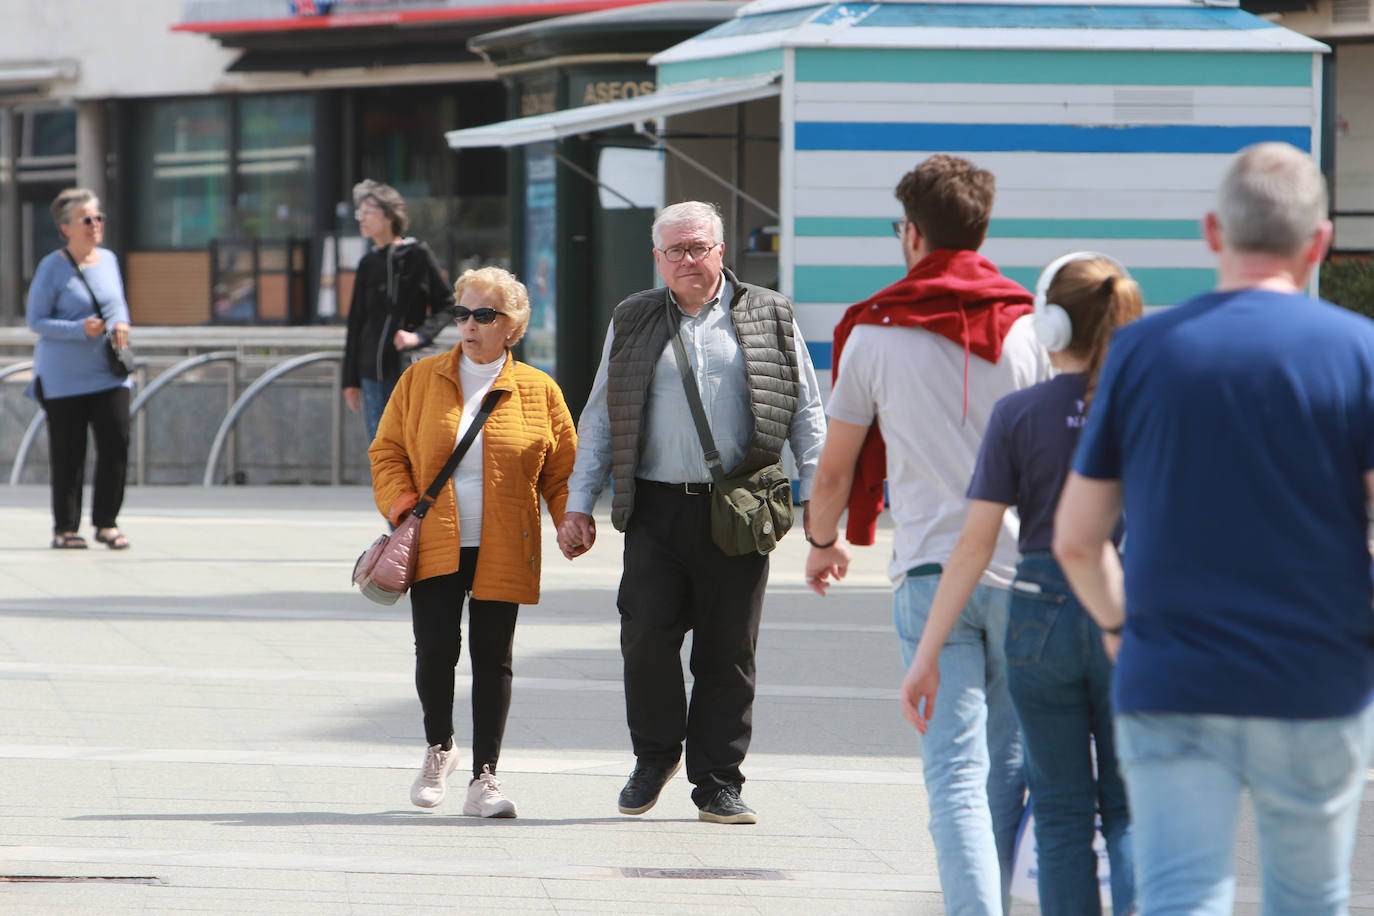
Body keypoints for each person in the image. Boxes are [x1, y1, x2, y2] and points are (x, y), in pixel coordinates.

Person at [1054, 142, 1374, 915]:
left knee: (1182, 896)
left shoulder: (1139, 352)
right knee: (1310, 897)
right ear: (1320, 242)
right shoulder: (1359, 354)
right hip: (1316, 678)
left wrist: (1118, 621)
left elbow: (1076, 537)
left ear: (1211, 232)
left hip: (1171, 676)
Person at [803, 155, 1051, 914]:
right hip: (1025, 572)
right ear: (982, 227)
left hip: (928, 572)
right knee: (1007, 764)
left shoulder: (875, 331)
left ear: (912, 233)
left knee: (952, 769)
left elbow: (838, 468)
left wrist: (822, 539)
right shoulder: (1034, 329)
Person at [556, 200, 826, 825]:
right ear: (658, 258)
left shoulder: (768, 312)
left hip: (739, 506)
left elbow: (808, 411)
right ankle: (654, 756)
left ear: (720, 251)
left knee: (728, 651)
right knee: (645, 636)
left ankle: (718, 783)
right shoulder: (633, 317)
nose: (687, 260)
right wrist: (578, 503)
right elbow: (601, 415)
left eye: (698, 247)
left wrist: (818, 500)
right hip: (654, 507)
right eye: (674, 250)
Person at [901, 253, 1142, 915]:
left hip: (1040, 613)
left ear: (1050, 326)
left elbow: (974, 545)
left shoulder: (1018, 413)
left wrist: (928, 655)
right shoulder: (1147, 410)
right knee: (1128, 810)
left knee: (1061, 810)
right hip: (1128, 610)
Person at [369, 266, 577, 818]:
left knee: (494, 659)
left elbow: (562, 472)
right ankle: (440, 747)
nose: (469, 325)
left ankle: (486, 777)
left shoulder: (539, 390)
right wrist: (400, 501)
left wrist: (569, 519)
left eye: (484, 315)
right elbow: (385, 451)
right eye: (462, 314)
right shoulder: (419, 379)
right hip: (434, 539)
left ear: (512, 326)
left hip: (505, 542)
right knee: (435, 651)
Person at [25, 187, 133, 551]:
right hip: (64, 379)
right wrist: (77, 330)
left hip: (107, 371)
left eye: (98, 218)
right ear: (66, 227)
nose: (95, 225)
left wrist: (120, 323)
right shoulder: (51, 267)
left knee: (116, 444)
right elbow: (36, 321)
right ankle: (66, 528)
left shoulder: (109, 260)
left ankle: (106, 522)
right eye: (86, 220)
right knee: (69, 452)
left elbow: (116, 303)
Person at [342, 180, 457, 442]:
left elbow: (447, 303)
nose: (361, 218)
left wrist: (419, 336)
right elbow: (356, 323)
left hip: (406, 370)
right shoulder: (368, 263)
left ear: (389, 215)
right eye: (359, 213)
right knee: (380, 447)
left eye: (368, 212)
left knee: (410, 445)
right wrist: (350, 380)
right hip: (370, 372)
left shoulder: (417, 254)